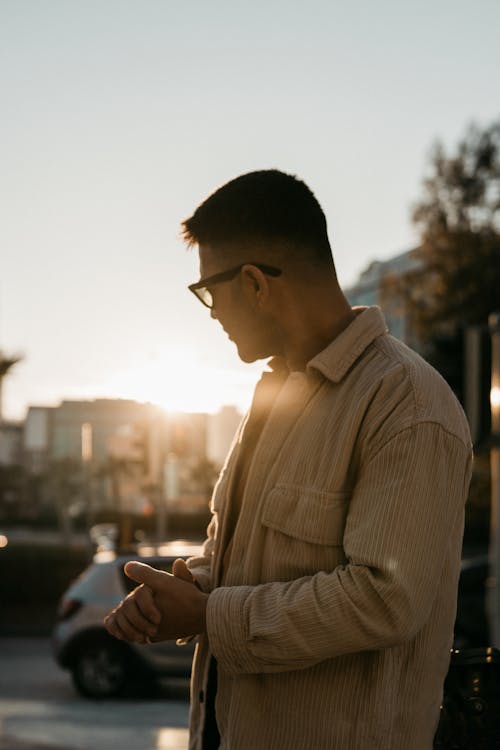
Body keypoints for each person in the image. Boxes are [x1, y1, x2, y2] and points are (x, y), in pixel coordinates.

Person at [104, 169, 473, 749]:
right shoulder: (275, 400)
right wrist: (174, 593)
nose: (210, 313)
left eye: (208, 292)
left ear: (253, 283)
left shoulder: (406, 403)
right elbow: (245, 564)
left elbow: (386, 598)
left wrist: (205, 617)